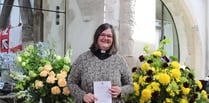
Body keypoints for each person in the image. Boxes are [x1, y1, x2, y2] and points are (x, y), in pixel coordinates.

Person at [67, 23, 133, 103]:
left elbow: (130, 85)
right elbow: (71, 82)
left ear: (113, 40)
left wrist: (121, 91)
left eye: (109, 36)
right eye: (102, 35)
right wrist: (83, 96)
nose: (105, 38)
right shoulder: (83, 59)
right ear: (97, 37)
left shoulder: (119, 60)